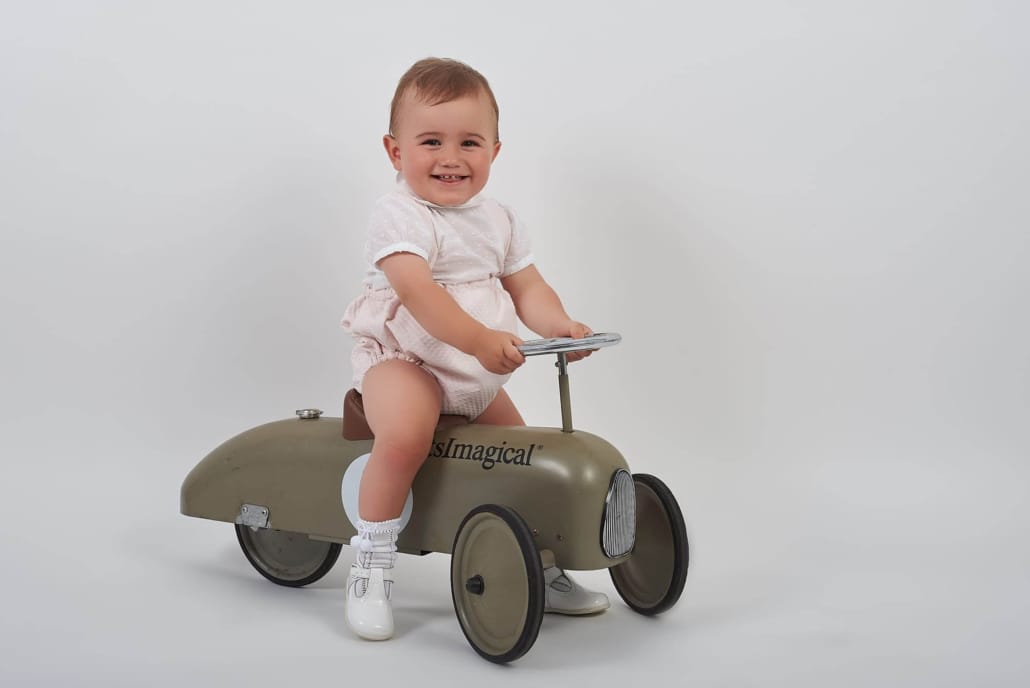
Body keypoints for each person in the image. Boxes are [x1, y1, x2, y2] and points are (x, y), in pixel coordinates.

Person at [341, 57, 608, 641]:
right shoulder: (399, 214)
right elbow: (418, 294)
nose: (451, 158)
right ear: (394, 151)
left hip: (471, 366)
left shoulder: (499, 219)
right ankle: (371, 563)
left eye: (470, 142)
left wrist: (559, 326)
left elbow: (527, 287)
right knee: (407, 435)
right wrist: (482, 339)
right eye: (430, 141)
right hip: (404, 358)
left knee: (520, 454)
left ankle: (539, 564)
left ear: (494, 151)